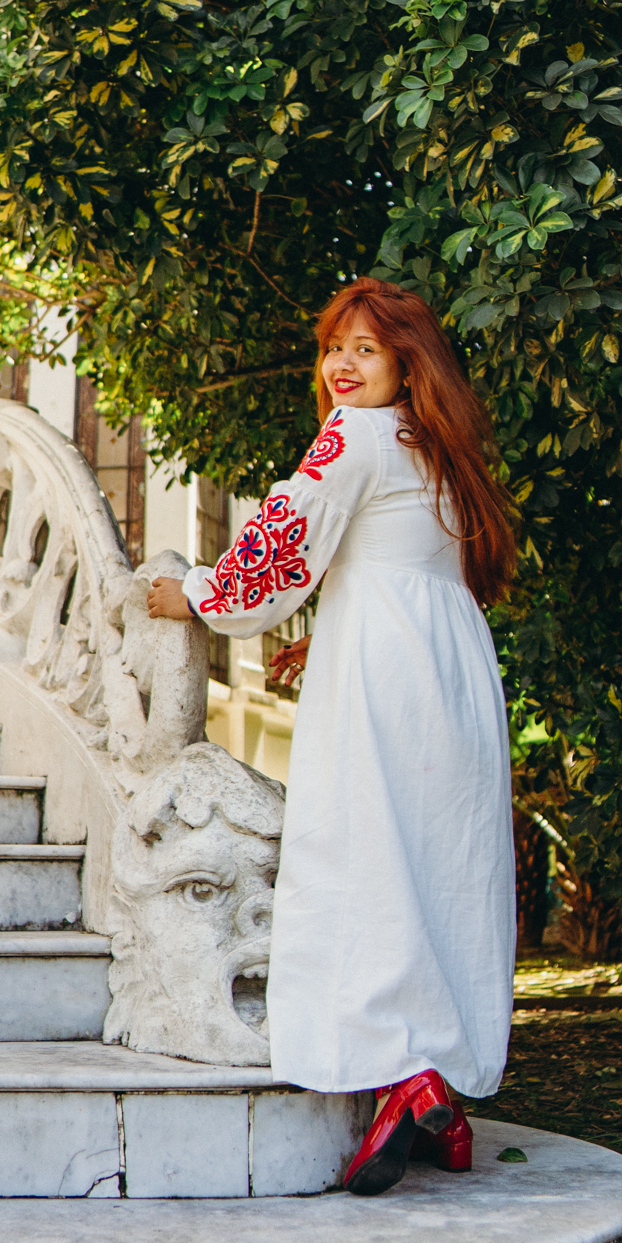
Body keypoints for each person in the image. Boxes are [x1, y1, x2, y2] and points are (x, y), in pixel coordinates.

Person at [147, 276, 518, 1195]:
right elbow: (404, 566)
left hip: (384, 678)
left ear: (405, 361)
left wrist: (193, 590)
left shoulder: (352, 437)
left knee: (365, 861)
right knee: (440, 869)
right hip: (455, 674)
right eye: (334, 348)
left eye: (365, 349)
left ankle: (404, 1075)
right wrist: (325, 630)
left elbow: (280, 550)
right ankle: (442, 1101)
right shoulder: (441, 451)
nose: (342, 366)